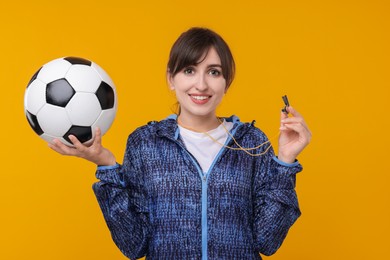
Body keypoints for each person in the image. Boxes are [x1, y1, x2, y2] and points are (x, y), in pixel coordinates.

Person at [49, 27, 311, 260]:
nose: (201, 84)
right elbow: (134, 245)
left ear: (226, 82)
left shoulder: (252, 142)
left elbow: (268, 241)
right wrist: (106, 166)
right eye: (189, 70)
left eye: (214, 72)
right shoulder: (145, 143)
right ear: (171, 79)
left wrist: (285, 161)